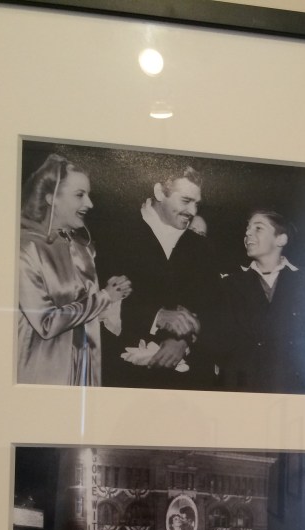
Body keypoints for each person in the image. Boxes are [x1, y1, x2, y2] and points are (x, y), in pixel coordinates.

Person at [98, 163, 220, 390]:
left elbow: (215, 311)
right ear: (159, 192)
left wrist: (183, 340)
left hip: (189, 382)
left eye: (197, 203)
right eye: (186, 201)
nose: (193, 211)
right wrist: (156, 317)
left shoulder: (203, 247)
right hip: (128, 379)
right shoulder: (113, 233)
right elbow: (99, 303)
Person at [18, 154, 132, 386]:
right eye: (80, 195)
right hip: (43, 375)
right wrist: (104, 297)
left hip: (84, 370)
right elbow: (47, 323)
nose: (89, 204)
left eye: (88, 195)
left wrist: (115, 295)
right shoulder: (24, 248)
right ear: (52, 198)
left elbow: (86, 312)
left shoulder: (83, 248)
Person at [219, 209, 305, 394]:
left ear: (281, 239)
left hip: (293, 388)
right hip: (246, 388)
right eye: (247, 229)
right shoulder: (230, 284)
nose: (248, 233)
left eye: (258, 228)